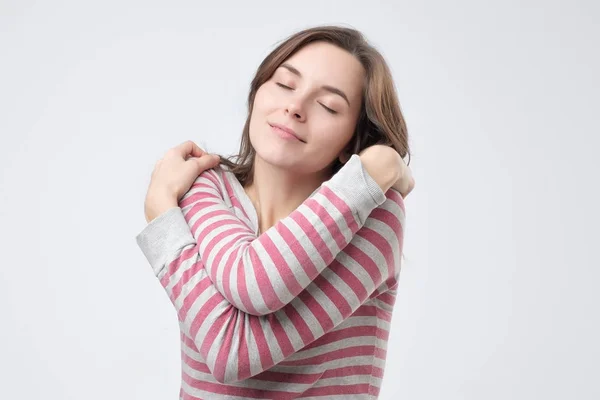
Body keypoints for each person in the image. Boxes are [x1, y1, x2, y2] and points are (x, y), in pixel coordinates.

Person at [136, 25, 415, 400]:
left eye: (328, 105)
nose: (295, 108)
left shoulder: (373, 216)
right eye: (285, 84)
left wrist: (366, 177)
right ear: (257, 92)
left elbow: (232, 351)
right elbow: (246, 291)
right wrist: (163, 218)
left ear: (355, 141)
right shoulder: (204, 187)